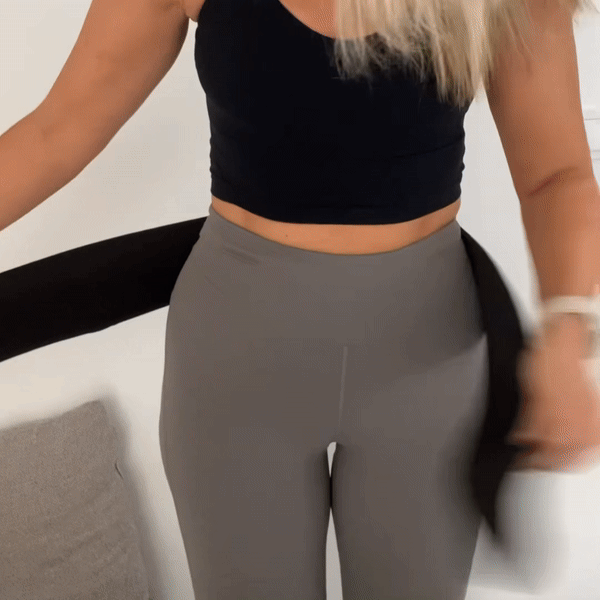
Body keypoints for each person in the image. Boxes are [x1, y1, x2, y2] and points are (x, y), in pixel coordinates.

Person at [2, 0, 598, 598]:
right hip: (235, 366)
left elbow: (557, 176)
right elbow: (56, 131)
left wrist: (569, 328)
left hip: (430, 366)